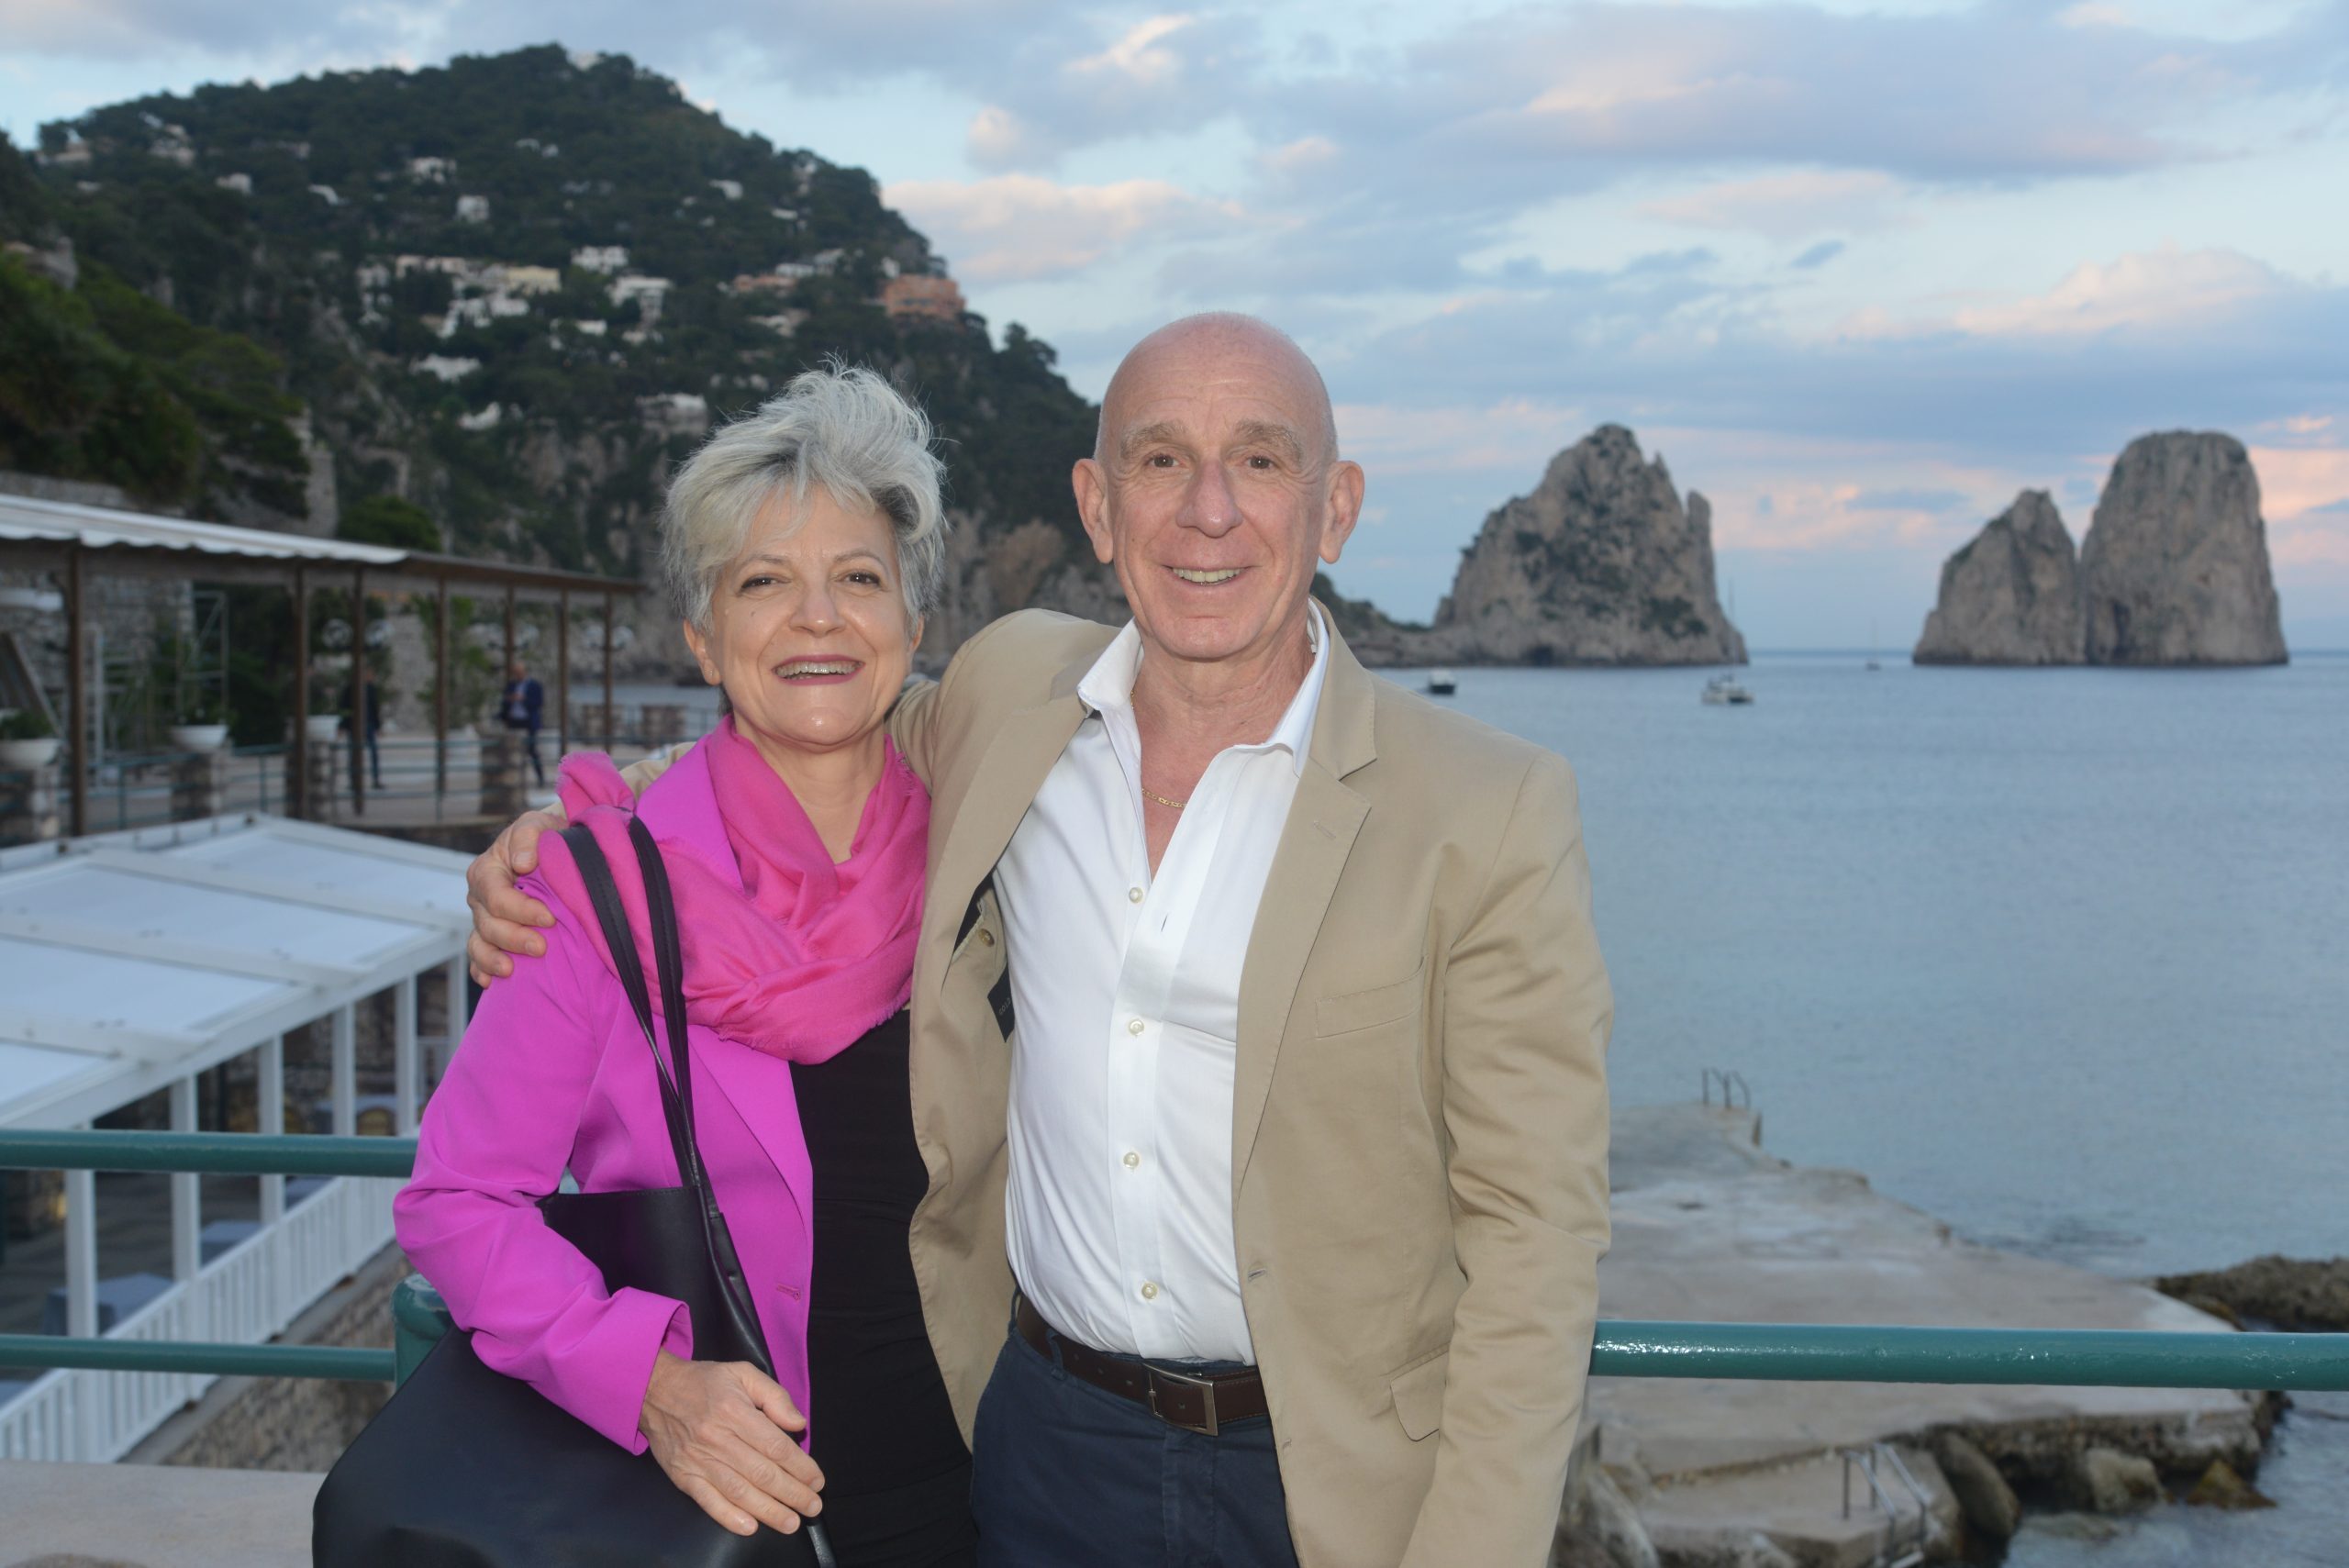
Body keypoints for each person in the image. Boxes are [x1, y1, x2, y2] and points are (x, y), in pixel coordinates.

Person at [467, 314, 1614, 1568]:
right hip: (1040, 1452)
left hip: (1329, 1479)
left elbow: (1535, 1236)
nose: (1210, 510)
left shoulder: (1485, 807)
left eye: (1261, 460)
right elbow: (809, 729)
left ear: (1334, 506)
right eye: (1161, 459)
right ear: (1098, 507)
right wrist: (584, 827)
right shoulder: (1009, 697)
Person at [399, 365, 978, 1566]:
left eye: (858, 578)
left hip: (995, 1484)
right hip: (737, 1506)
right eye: (763, 581)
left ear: (913, 627)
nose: (817, 617)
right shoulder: (597, 893)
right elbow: (458, 1199)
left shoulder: (992, 854)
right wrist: (651, 1385)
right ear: (703, 639)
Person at [500, 658, 547, 784]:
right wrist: (509, 701)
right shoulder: (511, 685)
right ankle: (511, 779)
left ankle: (540, 778)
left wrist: (523, 699)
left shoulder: (534, 686)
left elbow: (538, 703)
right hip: (514, 721)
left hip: (528, 721)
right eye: (516, 672)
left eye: (520, 672)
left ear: (524, 672)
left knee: (532, 749)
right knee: (511, 751)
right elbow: (504, 702)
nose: (518, 675)